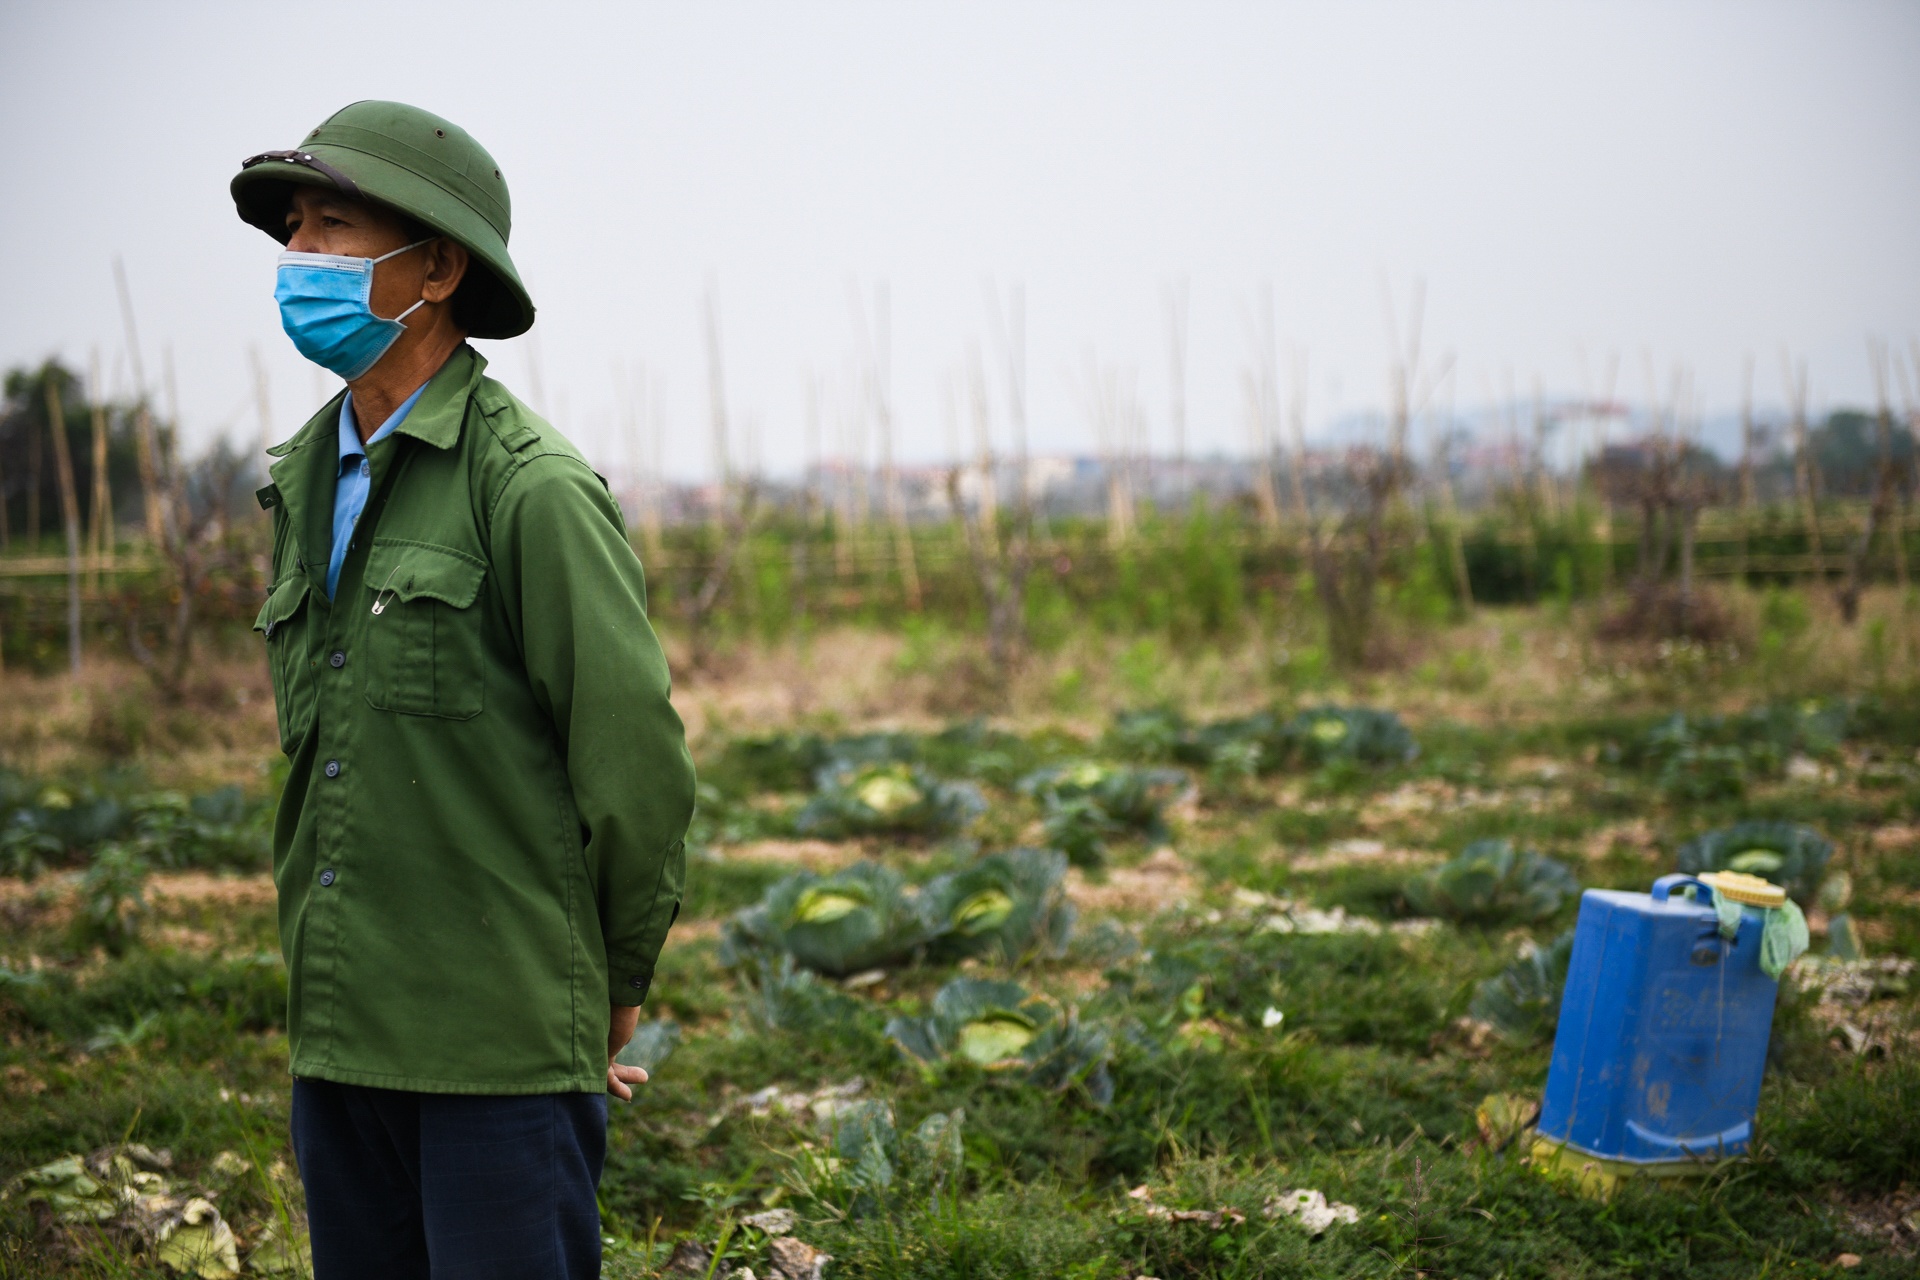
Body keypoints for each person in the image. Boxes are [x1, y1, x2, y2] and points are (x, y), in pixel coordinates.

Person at [231, 100, 695, 1279]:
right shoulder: (304, 477)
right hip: (340, 1035)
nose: (300, 262)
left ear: (435, 267)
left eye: (333, 229)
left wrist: (613, 985)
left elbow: (633, 761)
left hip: (495, 1048)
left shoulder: (528, 488)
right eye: (293, 231)